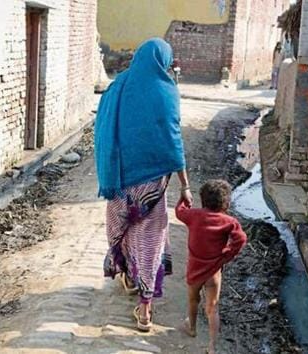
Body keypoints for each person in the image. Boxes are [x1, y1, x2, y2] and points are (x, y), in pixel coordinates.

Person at [94, 38, 193, 332]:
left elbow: (101, 128)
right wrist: (185, 186)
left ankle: (125, 271)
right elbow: (173, 142)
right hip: (151, 187)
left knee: (120, 229)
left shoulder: (117, 87)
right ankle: (145, 307)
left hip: (119, 180)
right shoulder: (166, 92)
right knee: (150, 242)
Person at [175, 180, 247, 354]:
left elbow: (179, 212)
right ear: (226, 203)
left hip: (195, 268)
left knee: (193, 300)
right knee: (213, 307)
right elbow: (241, 239)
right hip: (214, 270)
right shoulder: (229, 221)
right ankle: (212, 346)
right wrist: (226, 255)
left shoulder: (194, 215)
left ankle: (191, 327)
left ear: (202, 199)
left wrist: (184, 196)